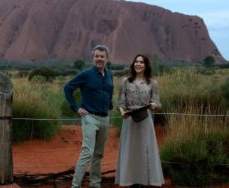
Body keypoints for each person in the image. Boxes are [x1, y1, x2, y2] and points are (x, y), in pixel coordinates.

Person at [64, 44, 114, 188]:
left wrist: (109, 106)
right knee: (87, 152)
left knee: (98, 154)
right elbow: (68, 88)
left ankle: (95, 184)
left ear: (106, 59)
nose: (99, 59)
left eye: (102, 56)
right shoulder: (86, 74)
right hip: (90, 117)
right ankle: (75, 185)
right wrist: (76, 108)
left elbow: (110, 91)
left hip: (105, 118)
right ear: (92, 58)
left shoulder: (109, 74)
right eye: (97, 56)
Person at [115, 54, 164, 187]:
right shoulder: (126, 81)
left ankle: (144, 180)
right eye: (136, 61)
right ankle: (129, 181)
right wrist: (122, 112)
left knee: (144, 149)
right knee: (130, 149)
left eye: (141, 62)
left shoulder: (153, 83)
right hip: (129, 119)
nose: (138, 64)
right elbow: (120, 103)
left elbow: (157, 103)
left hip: (145, 119)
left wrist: (154, 105)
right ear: (133, 64)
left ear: (146, 65)